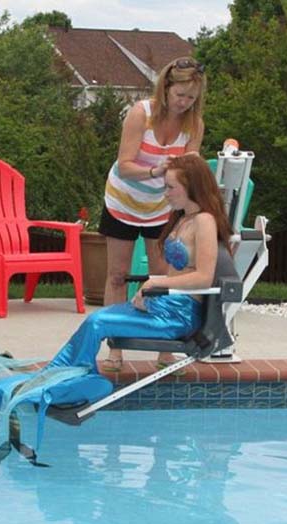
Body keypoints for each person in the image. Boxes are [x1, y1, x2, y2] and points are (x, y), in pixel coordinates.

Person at [47, 155, 232, 374]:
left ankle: (68, 379)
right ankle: (63, 375)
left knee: (97, 322)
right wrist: (153, 290)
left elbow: (203, 277)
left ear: (192, 187)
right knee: (95, 321)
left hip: (179, 314)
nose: (166, 194)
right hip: (165, 305)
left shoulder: (204, 221)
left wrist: (155, 285)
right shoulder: (183, 218)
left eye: (171, 187)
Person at [98, 56, 206, 371]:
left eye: (191, 98)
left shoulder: (194, 125)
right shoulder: (139, 114)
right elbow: (125, 166)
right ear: (165, 89)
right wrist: (157, 169)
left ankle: (164, 349)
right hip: (123, 201)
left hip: (162, 209)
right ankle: (115, 347)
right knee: (117, 276)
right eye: (179, 96)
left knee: (164, 278)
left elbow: (189, 171)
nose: (184, 103)